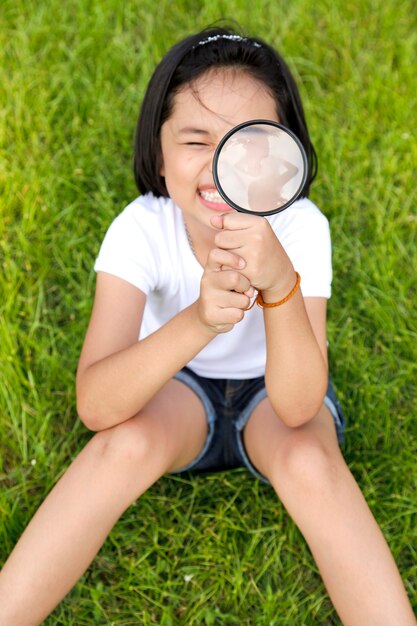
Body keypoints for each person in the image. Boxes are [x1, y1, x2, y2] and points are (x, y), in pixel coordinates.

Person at [0, 25, 415, 626]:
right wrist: (198, 320)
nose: (223, 165)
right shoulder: (141, 229)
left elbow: (299, 405)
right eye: (196, 140)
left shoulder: (300, 229)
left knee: (309, 462)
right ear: (159, 154)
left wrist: (280, 286)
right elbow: (96, 404)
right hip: (177, 392)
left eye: (250, 144)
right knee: (123, 444)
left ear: (287, 155)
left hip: (275, 404)